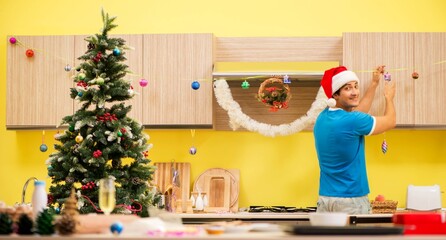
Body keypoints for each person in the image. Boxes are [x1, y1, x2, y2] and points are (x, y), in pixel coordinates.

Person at [313, 65, 396, 214]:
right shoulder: (352, 121)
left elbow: (358, 113)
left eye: (356, 86)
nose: (355, 92)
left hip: (326, 200)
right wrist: (389, 98)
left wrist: (374, 84)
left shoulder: (322, 118)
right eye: (347, 88)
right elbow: (390, 121)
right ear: (335, 95)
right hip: (351, 201)